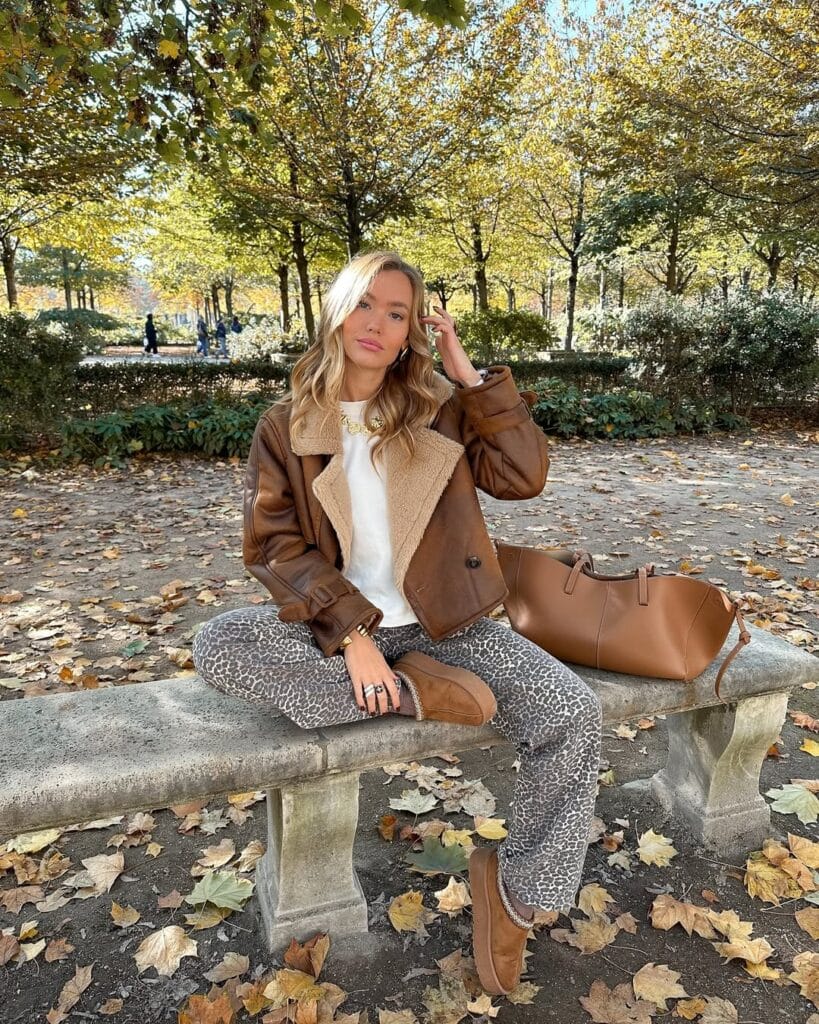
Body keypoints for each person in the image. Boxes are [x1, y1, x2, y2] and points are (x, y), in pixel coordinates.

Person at [192, 250, 601, 996]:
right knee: (219, 642)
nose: (377, 324)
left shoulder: (438, 406)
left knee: (572, 712)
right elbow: (274, 545)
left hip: (453, 628)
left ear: (413, 329)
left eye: (397, 313)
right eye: (365, 305)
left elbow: (522, 477)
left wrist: (470, 377)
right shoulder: (285, 425)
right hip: (344, 628)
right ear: (336, 310)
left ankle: (518, 898)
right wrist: (353, 640)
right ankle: (417, 691)